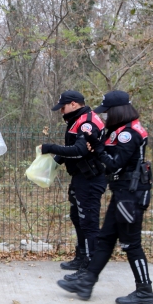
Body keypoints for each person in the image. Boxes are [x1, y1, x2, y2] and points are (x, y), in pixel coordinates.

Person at [57, 90, 153, 304]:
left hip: (130, 195)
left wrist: (98, 146)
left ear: (118, 111)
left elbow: (113, 163)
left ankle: (145, 291)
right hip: (123, 193)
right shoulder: (122, 130)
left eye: (108, 112)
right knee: (105, 239)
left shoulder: (128, 134)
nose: (105, 116)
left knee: (131, 245)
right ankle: (87, 281)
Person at [41, 90, 107, 280]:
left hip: (91, 178)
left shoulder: (87, 122)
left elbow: (80, 151)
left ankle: (89, 266)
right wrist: (53, 163)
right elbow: (72, 150)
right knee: (77, 217)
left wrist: (50, 148)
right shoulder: (77, 120)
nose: (61, 111)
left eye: (63, 107)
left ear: (74, 104)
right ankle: (81, 256)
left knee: (89, 223)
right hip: (80, 176)